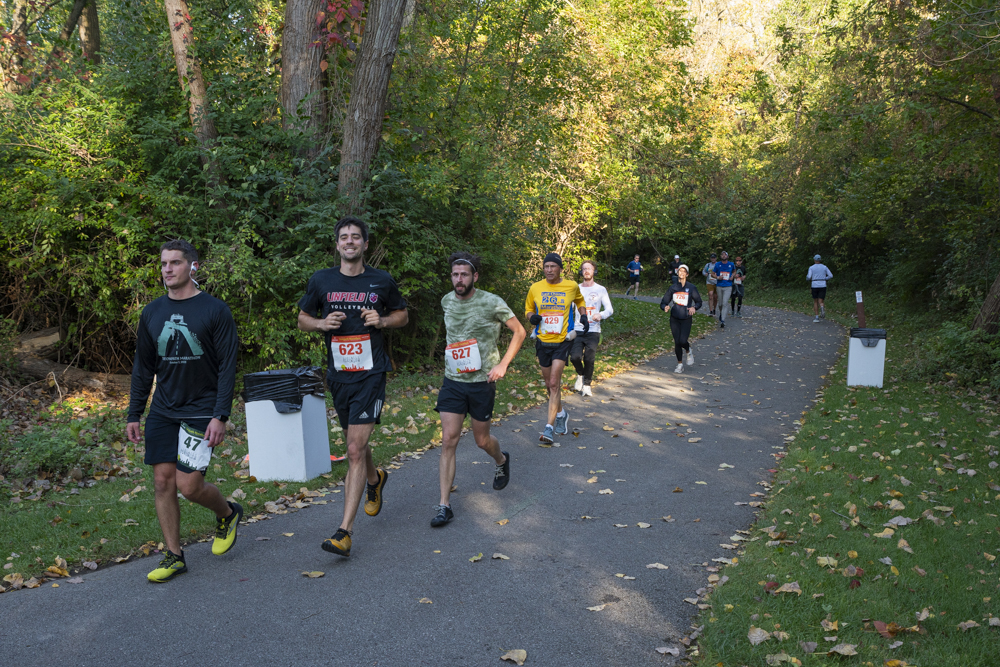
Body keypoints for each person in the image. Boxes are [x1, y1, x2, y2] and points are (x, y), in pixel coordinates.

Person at [126, 240, 241, 583]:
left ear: (192, 267)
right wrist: (134, 412)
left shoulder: (214, 310)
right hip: (163, 408)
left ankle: (228, 513)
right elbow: (143, 368)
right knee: (162, 481)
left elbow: (227, 366)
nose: (167, 269)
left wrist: (220, 414)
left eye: (175, 263)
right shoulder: (152, 312)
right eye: (163, 263)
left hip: (202, 408)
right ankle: (174, 555)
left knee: (189, 486)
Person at [297, 216, 409, 557]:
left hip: (371, 375)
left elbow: (402, 315)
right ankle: (375, 480)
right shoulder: (322, 280)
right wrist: (320, 323)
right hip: (339, 375)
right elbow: (302, 319)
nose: (349, 242)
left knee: (354, 449)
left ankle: (344, 532)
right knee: (355, 443)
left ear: (364, 244)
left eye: (356, 237)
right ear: (337, 245)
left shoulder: (381, 280)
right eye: (344, 237)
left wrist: (383, 320)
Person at [431, 252, 526, 528]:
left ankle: (501, 458)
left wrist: (503, 364)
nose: (458, 280)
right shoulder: (446, 300)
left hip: (482, 383)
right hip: (453, 381)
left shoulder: (491, 301)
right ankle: (443, 506)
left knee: (481, 441)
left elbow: (519, 331)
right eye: (454, 274)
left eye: (463, 274)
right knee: (449, 439)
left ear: (475, 276)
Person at [525, 252, 588, 444]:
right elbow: (528, 309)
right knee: (548, 385)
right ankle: (561, 413)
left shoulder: (571, 286)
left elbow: (580, 301)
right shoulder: (535, 287)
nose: (549, 270)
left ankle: (548, 429)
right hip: (543, 342)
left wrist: (583, 315)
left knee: (554, 383)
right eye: (546, 266)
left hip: (562, 341)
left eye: (553, 266)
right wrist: (531, 318)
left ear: (560, 269)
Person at [571, 260, 613, 397]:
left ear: (594, 271)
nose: (586, 271)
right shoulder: (576, 288)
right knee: (575, 357)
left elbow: (609, 309)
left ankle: (587, 385)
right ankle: (580, 374)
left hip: (593, 330)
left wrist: (600, 315)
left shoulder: (601, 289)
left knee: (589, 359)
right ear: (581, 272)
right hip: (577, 328)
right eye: (584, 269)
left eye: (589, 268)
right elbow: (567, 307)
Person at [660, 265, 702, 373]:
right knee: (677, 342)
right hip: (674, 318)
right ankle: (679, 364)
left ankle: (688, 351)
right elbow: (664, 301)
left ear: (687, 274)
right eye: (680, 271)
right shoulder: (673, 288)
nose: (682, 273)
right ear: (677, 273)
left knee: (683, 340)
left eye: (684, 271)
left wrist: (694, 307)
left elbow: (699, 302)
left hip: (686, 318)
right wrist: (665, 307)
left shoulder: (691, 287)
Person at [807, 254, 833, 323]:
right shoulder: (824, 267)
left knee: (815, 301)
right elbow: (830, 275)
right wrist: (825, 278)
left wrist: (808, 278)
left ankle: (817, 317)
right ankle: (822, 307)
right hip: (823, 285)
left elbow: (809, 277)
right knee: (821, 300)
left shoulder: (811, 267)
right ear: (820, 260)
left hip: (814, 285)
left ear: (814, 260)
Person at [713, 251, 735, 329]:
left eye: (725, 254)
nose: (723, 255)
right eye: (722, 254)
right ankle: (721, 313)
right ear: (720, 256)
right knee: (720, 304)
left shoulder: (731, 264)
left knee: (725, 303)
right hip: (719, 286)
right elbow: (712, 273)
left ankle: (722, 320)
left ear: (727, 256)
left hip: (728, 286)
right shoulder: (717, 264)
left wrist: (732, 276)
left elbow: (734, 271)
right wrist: (718, 277)